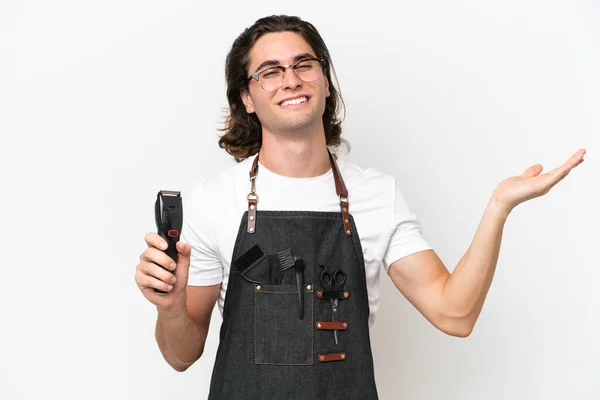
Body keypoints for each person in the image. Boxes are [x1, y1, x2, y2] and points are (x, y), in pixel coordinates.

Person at [134, 14, 586, 399]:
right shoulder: (214, 200)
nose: (291, 79)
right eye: (269, 71)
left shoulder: (376, 196)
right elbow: (181, 355)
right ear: (247, 99)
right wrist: (170, 307)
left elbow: (456, 314)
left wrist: (498, 208)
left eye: (304, 65)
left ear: (326, 83)